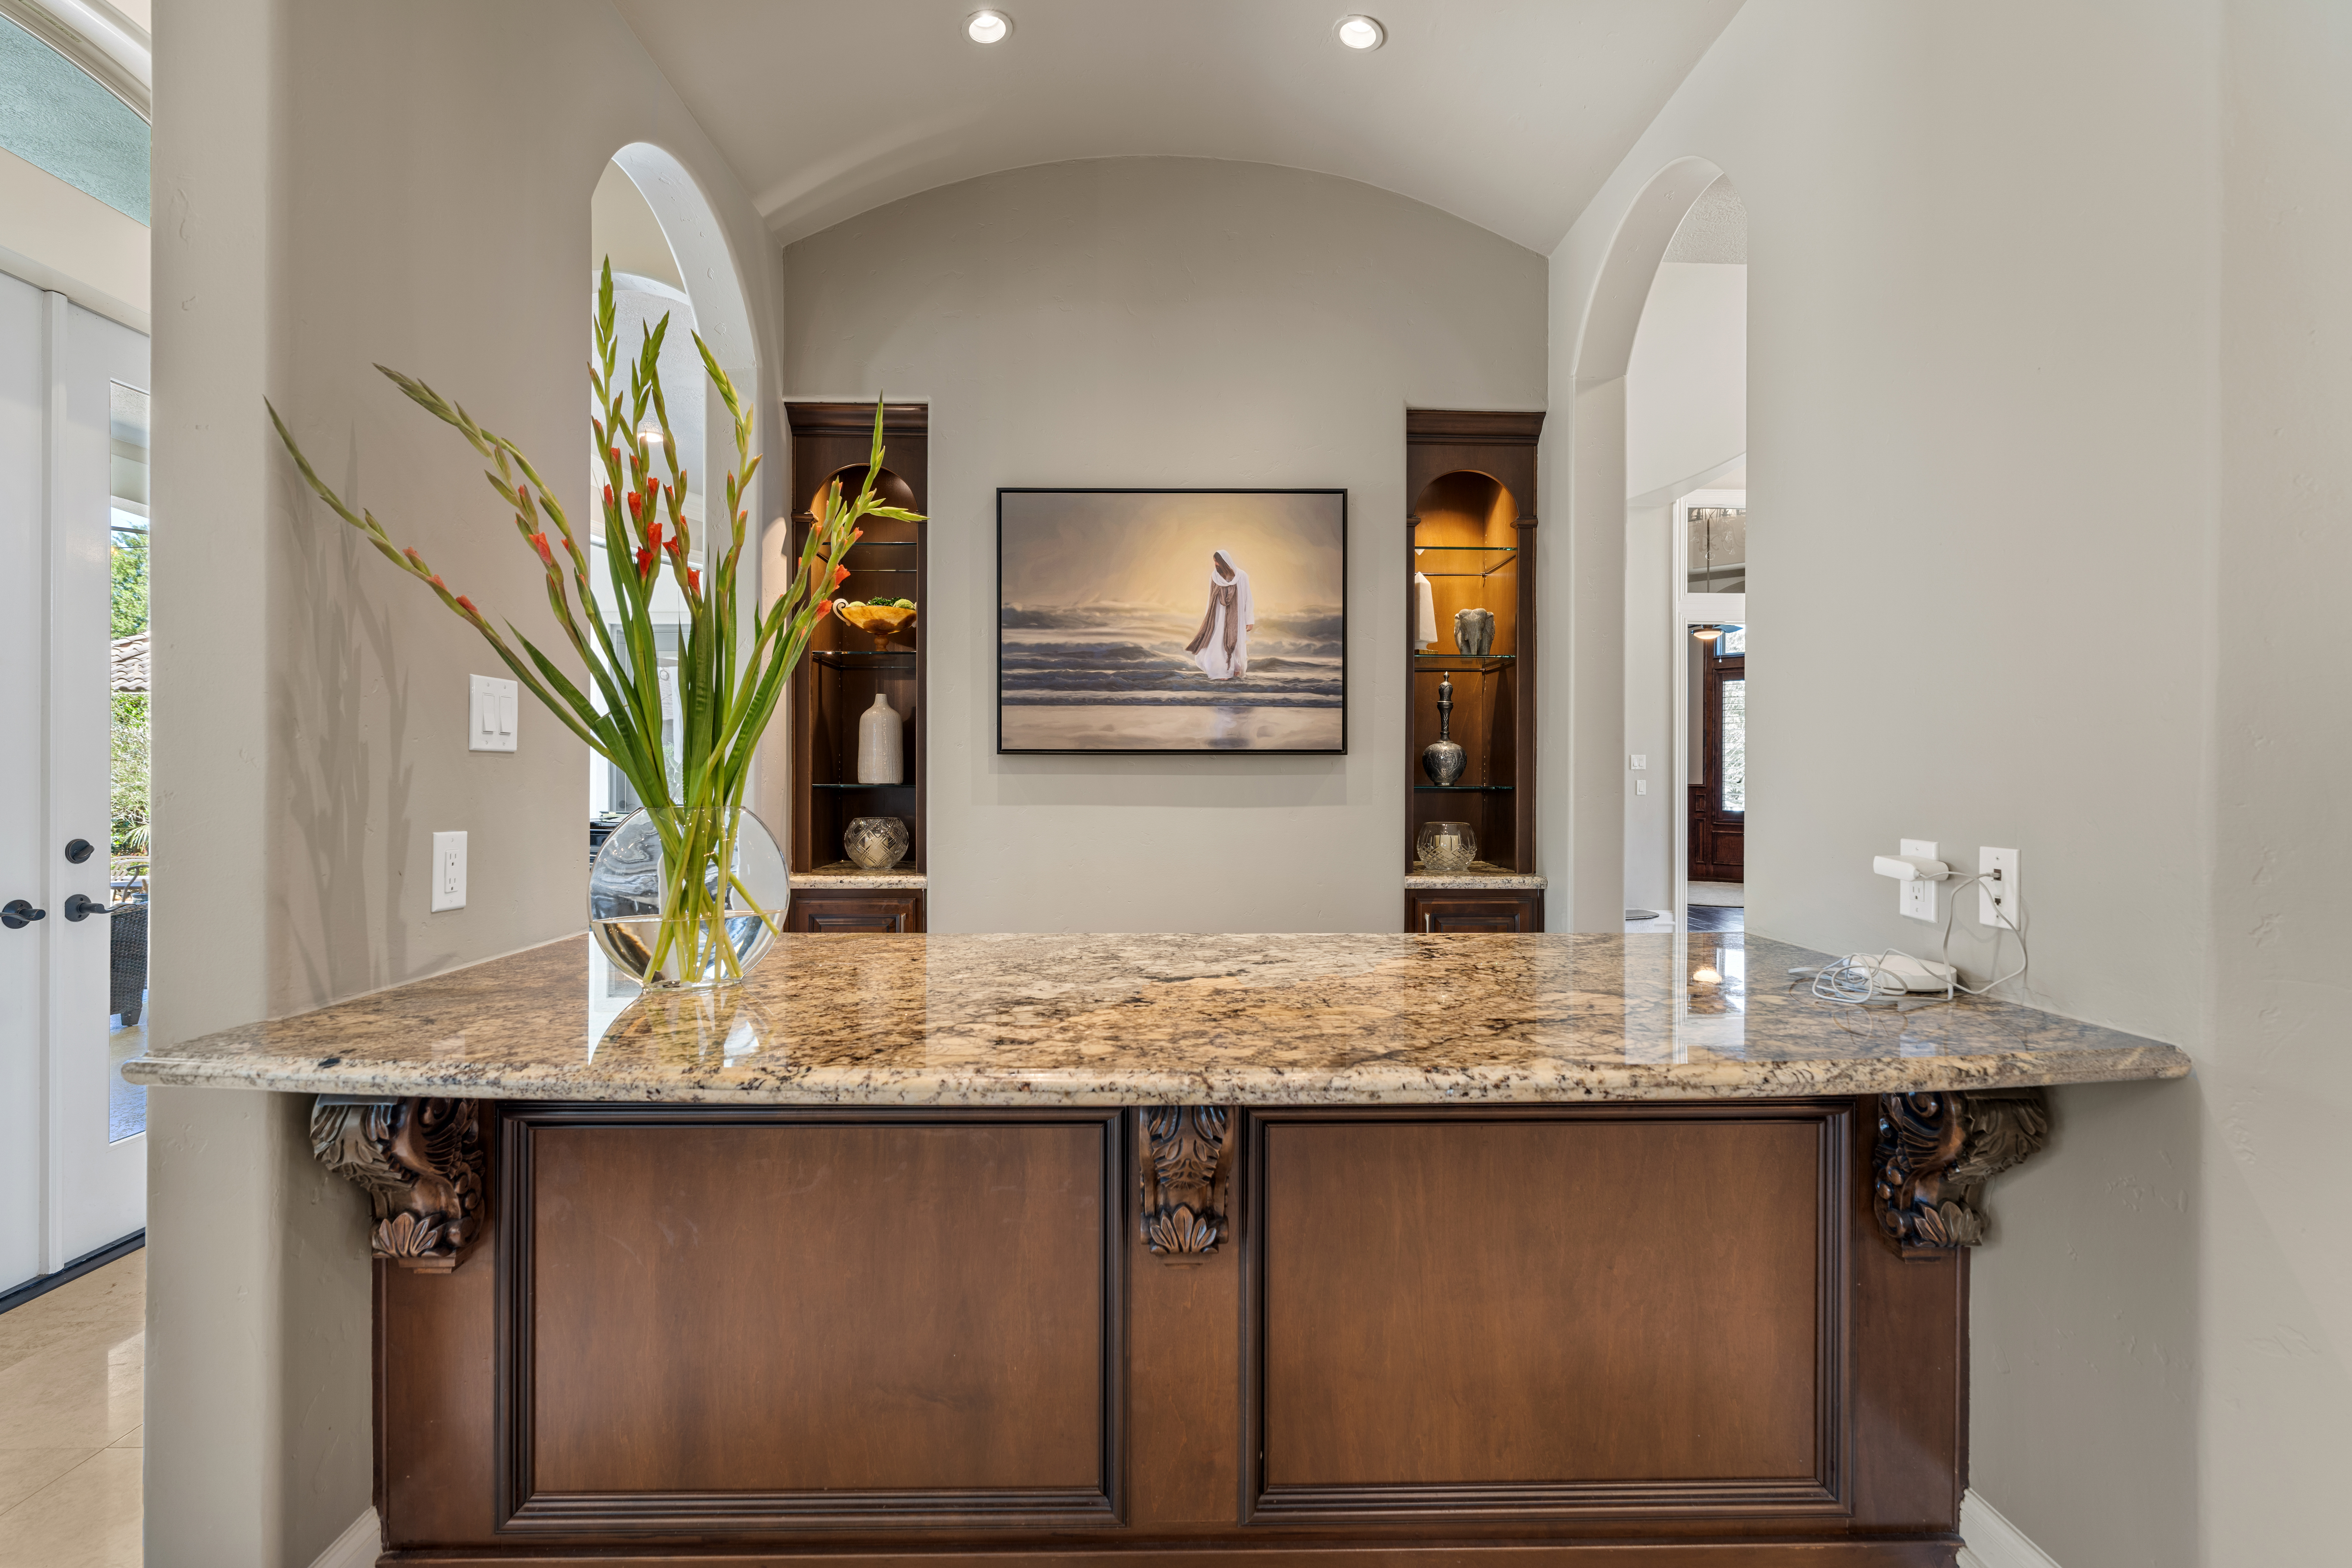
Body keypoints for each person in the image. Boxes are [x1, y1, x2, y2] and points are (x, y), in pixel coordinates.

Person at [1184, 548, 1253, 679]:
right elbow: (1210, 600)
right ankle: (1223, 672)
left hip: (1236, 617)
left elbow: (1248, 598)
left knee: (1234, 641)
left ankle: (1235, 668)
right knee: (1218, 642)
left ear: (1225, 562)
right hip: (1218, 617)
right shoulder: (1214, 577)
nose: (1216, 565)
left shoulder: (1242, 576)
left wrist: (1249, 619)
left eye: (1217, 562)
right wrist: (1208, 619)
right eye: (1215, 562)